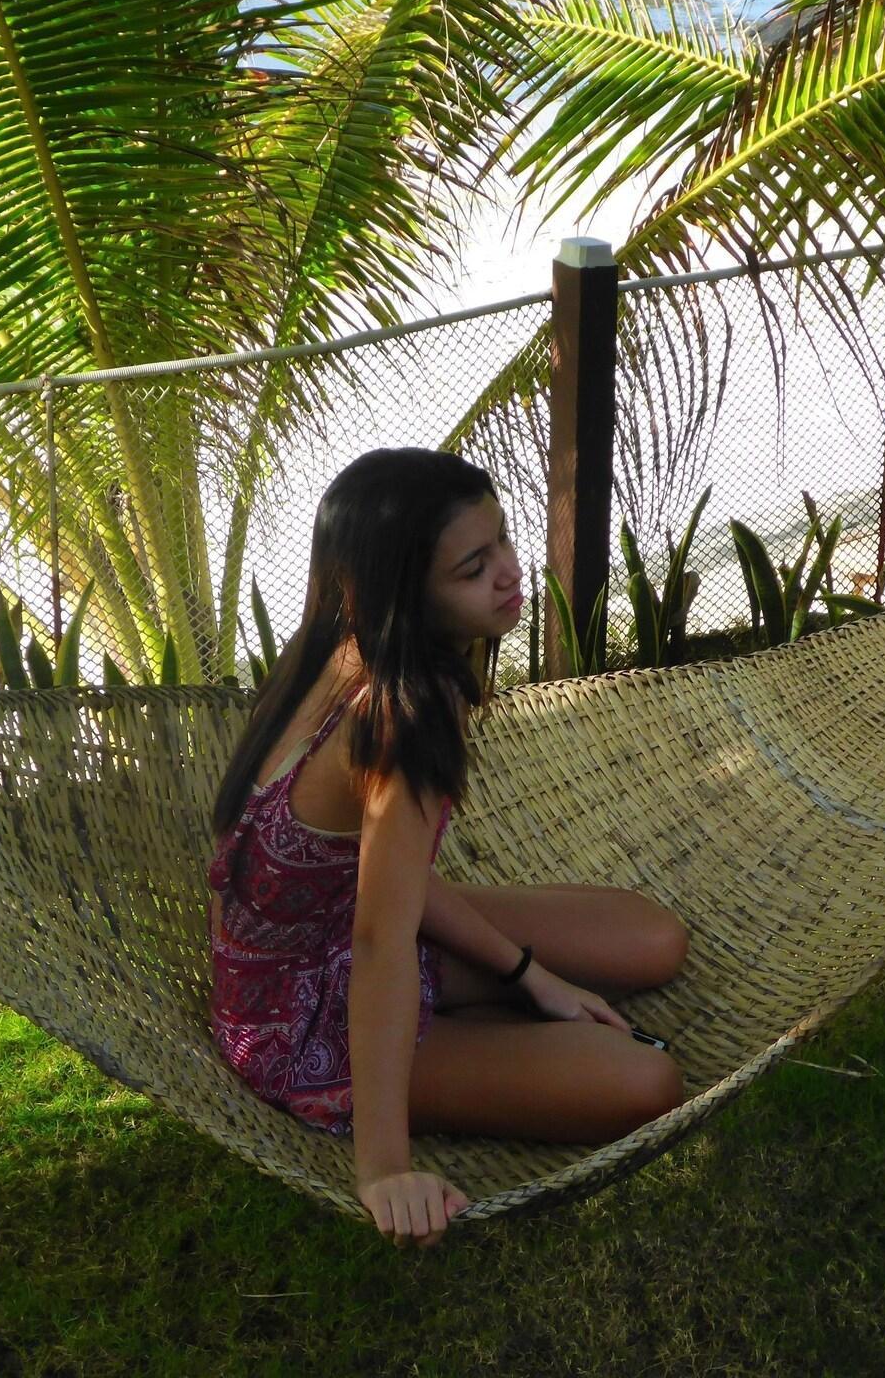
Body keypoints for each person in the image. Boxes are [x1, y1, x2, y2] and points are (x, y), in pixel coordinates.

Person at [207, 448, 689, 1250]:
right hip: (295, 1022)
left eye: (501, 540)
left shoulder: (338, 641)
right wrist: (382, 1171)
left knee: (653, 939)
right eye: (473, 568)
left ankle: (500, 998)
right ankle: (467, 1027)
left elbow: (365, 882)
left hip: (334, 926)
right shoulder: (402, 711)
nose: (508, 572)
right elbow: (381, 940)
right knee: (649, 1081)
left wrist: (532, 976)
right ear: (407, 594)